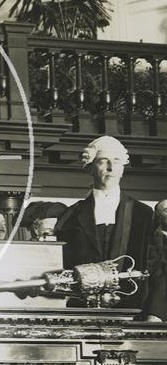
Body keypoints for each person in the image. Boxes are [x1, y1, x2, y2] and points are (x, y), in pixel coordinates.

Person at [55, 136, 165, 319]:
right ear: (90, 167)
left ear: (123, 168)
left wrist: (155, 313)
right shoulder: (70, 217)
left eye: (116, 161)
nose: (111, 168)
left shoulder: (144, 215)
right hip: (81, 316)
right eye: (103, 161)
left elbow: (159, 270)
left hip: (135, 316)